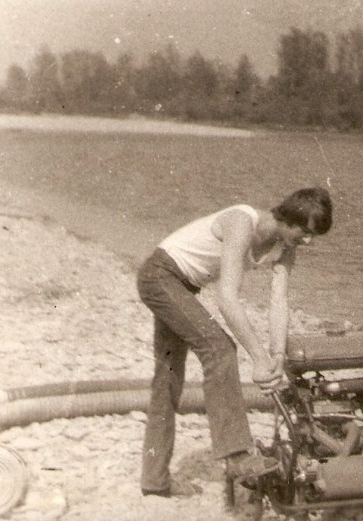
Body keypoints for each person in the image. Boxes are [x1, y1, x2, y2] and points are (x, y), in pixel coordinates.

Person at [136, 187, 333, 498]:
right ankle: (237, 456)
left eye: (313, 236)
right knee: (219, 349)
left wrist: (277, 354)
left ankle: (154, 480)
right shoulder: (242, 222)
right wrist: (258, 357)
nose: (308, 241)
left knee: (167, 379)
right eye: (305, 232)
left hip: (182, 286)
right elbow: (227, 298)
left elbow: (279, 302)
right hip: (160, 276)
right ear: (288, 218)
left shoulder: (284, 247)